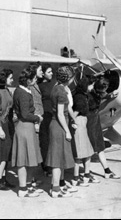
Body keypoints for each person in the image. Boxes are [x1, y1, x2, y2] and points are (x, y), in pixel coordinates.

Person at [12, 69, 43, 198]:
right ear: (28, 80)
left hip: (26, 128)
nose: (36, 80)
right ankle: (23, 189)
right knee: (23, 160)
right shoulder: (23, 93)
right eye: (34, 78)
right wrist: (37, 118)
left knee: (30, 159)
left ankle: (28, 185)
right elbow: (25, 114)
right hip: (24, 127)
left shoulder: (23, 91)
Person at [46, 65, 76, 198]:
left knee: (60, 157)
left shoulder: (56, 88)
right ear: (68, 78)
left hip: (56, 125)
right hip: (59, 126)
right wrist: (67, 131)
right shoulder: (62, 92)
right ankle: (56, 190)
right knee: (57, 159)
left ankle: (58, 186)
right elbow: (60, 114)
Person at [87, 76, 121, 180]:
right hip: (90, 123)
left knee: (97, 147)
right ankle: (87, 174)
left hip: (93, 122)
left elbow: (103, 98)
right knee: (92, 148)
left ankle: (106, 171)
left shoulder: (94, 94)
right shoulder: (90, 96)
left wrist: (110, 96)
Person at [0, 69, 15, 190]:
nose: (12, 80)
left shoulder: (7, 91)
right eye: (10, 78)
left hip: (8, 124)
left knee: (7, 154)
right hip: (1, 125)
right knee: (2, 154)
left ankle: (4, 179)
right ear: (4, 79)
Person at [71, 77, 95, 187]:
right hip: (79, 124)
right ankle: (76, 178)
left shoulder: (81, 95)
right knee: (80, 153)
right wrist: (73, 123)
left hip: (82, 124)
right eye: (91, 85)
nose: (92, 87)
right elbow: (74, 114)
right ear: (86, 85)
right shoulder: (80, 98)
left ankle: (86, 174)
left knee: (86, 152)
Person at [38, 63, 55, 176]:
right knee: (45, 142)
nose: (52, 74)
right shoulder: (39, 86)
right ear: (43, 73)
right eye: (49, 72)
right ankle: (46, 166)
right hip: (44, 116)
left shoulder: (52, 84)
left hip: (52, 114)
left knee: (52, 141)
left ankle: (51, 164)